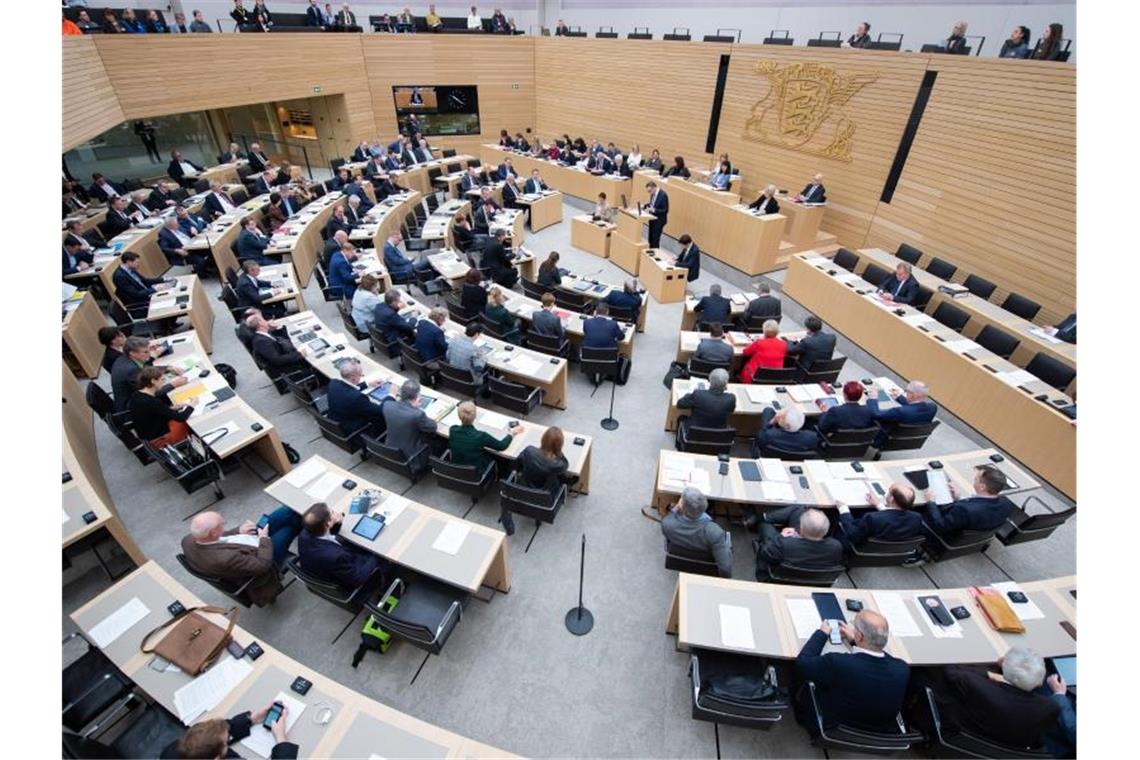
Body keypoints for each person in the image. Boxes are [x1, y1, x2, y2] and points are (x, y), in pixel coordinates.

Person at [912, 647, 1060, 750]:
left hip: (961, 729)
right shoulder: (1050, 707)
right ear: (1039, 682)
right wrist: (1059, 694)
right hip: (1003, 744)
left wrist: (988, 674)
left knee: (926, 672)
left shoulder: (972, 683)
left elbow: (951, 671)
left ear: (1001, 662)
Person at [795, 612, 909, 736]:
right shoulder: (902, 669)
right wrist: (857, 641)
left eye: (854, 626)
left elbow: (803, 663)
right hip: (878, 733)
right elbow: (886, 659)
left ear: (859, 635)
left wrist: (821, 633)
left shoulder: (838, 663)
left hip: (835, 727)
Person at [182, 509, 302, 606]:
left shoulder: (189, 540)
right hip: (264, 556)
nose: (224, 522)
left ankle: (306, 523)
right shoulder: (225, 559)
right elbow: (263, 565)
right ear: (213, 532)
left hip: (247, 543)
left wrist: (238, 531)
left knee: (287, 511)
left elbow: (219, 537)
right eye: (222, 524)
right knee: (292, 526)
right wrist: (264, 539)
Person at [300, 502, 387, 592]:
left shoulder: (306, 533)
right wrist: (377, 553)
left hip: (330, 569)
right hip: (351, 582)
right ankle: (388, 589)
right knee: (386, 559)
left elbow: (327, 532)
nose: (336, 512)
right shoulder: (335, 557)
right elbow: (358, 579)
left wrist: (338, 522)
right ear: (328, 523)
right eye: (332, 512)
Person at [922, 464, 1014, 546]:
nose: (974, 480)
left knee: (915, 512)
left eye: (976, 479)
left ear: (982, 487)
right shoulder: (1007, 504)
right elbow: (978, 507)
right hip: (972, 532)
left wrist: (931, 502)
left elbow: (939, 526)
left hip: (944, 536)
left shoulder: (964, 510)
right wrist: (959, 497)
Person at [162, 704, 298, 758]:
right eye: (226, 742)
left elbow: (222, 730)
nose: (228, 739)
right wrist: (281, 739)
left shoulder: (173, 751)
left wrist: (251, 719)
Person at [507, 427, 571, 533]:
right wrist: (558, 451)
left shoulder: (529, 451)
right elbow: (566, 464)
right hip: (544, 496)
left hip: (523, 489)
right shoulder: (558, 464)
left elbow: (515, 465)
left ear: (543, 439)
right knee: (565, 478)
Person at [661, 487, 733, 577]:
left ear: (682, 506)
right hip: (705, 563)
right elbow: (725, 568)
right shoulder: (714, 532)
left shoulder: (667, 524)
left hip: (681, 559)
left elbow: (671, 515)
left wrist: (677, 508)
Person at [754, 507, 842, 580]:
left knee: (765, 525)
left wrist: (781, 536)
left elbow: (764, 553)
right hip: (813, 579)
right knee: (799, 509)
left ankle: (759, 519)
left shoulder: (784, 544)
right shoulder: (836, 546)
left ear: (801, 528)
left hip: (781, 576)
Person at [835, 483, 922, 553]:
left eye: (889, 492)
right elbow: (894, 519)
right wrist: (879, 505)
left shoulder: (872, 518)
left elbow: (853, 534)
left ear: (891, 499)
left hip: (861, 547)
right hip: (887, 548)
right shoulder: (917, 518)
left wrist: (844, 510)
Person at [111, 337, 187, 412]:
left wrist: (167, 368)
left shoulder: (125, 358)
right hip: (133, 410)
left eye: (149, 350)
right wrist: (174, 384)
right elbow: (149, 393)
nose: (150, 354)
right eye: (145, 352)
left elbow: (145, 368)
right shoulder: (131, 370)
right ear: (132, 353)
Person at [449, 400, 523, 472]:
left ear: (459, 416)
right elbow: (502, 446)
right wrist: (512, 433)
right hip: (476, 472)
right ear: (475, 416)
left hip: (458, 469)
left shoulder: (452, 430)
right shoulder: (481, 436)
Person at [129, 367, 195, 447]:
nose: (164, 383)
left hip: (148, 434)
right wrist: (192, 405)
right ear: (153, 381)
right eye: (162, 380)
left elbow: (153, 412)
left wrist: (170, 409)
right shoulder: (152, 402)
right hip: (160, 439)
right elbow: (181, 417)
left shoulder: (136, 394)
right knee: (192, 424)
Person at [383, 380, 437, 473]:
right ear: (416, 396)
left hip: (391, 449)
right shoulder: (417, 414)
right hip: (412, 456)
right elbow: (432, 427)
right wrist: (416, 408)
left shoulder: (387, 405)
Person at [868, 379, 937, 450]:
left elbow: (876, 414)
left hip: (883, 439)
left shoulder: (899, 411)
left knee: (866, 414)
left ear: (913, 395)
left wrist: (873, 398)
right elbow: (915, 408)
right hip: (908, 439)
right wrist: (899, 397)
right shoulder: (932, 408)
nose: (905, 393)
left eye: (907, 391)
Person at [326, 359, 387, 436]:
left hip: (335, 421)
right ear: (353, 378)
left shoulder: (333, 383)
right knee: (383, 416)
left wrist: (367, 384)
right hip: (353, 430)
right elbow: (380, 410)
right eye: (361, 375)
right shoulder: (357, 398)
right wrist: (391, 395)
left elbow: (347, 388)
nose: (361, 377)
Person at [112, 250, 171, 319]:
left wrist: (163, 280)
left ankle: (171, 324)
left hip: (146, 295)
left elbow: (145, 281)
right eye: (137, 262)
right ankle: (168, 324)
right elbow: (136, 294)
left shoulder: (130, 269)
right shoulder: (120, 276)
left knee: (169, 293)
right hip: (140, 304)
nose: (138, 264)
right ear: (128, 262)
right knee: (167, 301)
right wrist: (154, 289)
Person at [248, 313, 308, 379]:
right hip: (289, 370)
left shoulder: (263, 334)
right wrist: (299, 354)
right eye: (264, 320)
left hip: (287, 357)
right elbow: (278, 360)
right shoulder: (261, 342)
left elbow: (279, 340)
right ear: (261, 324)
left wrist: (276, 328)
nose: (267, 321)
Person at [677, 368, 735, 432]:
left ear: (710, 380)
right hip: (718, 434)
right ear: (726, 383)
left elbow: (680, 404)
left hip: (695, 432)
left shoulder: (698, 394)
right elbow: (731, 410)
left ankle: (680, 441)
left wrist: (690, 394)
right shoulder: (731, 399)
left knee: (681, 418)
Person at [751, 405, 819, 458]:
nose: (779, 416)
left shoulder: (769, 434)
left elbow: (760, 439)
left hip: (771, 457)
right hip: (797, 459)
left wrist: (772, 422)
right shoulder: (812, 437)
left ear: (787, 426)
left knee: (768, 411)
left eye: (781, 417)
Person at [740, 320, 786, 384]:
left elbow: (745, 352)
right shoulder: (783, 344)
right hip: (774, 378)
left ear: (764, 331)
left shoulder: (759, 343)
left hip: (754, 376)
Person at [645, 181, 670, 249]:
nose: (649, 193)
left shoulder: (663, 195)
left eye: (650, 191)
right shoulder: (653, 194)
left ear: (654, 188)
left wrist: (654, 210)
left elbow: (665, 210)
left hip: (659, 220)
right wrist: (646, 206)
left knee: (655, 239)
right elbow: (653, 204)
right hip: (652, 218)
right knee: (650, 238)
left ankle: (655, 251)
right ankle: (650, 250)